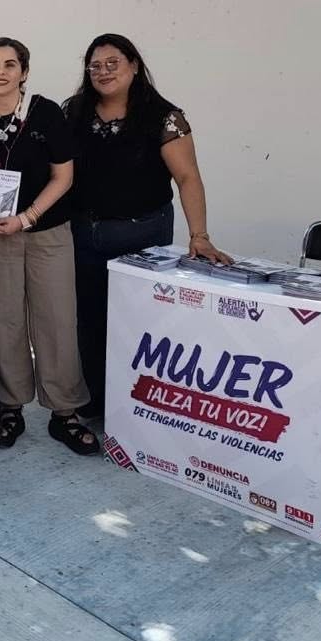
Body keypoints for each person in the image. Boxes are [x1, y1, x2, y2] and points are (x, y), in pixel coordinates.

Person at [65, 33, 233, 417]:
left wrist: (200, 236)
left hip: (142, 238)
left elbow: (188, 177)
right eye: (95, 66)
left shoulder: (165, 117)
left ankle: (136, 409)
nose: (103, 72)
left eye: (113, 63)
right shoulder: (73, 112)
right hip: (83, 238)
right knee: (89, 321)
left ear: (134, 65)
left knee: (138, 325)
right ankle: (97, 402)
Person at [0, 38, 97, 455]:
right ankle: (10, 407)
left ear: (24, 71)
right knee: (4, 322)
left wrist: (27, 217)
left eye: (10, 64)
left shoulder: (46, 113)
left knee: (57, 319)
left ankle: (65, 413)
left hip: (46, 232)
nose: (1, 71)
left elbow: (64, 178)